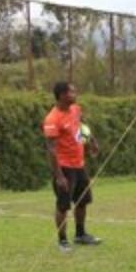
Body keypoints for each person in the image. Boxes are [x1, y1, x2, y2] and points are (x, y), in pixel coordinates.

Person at [43, 81, 101, 252]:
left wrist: (92, 142)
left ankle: (80, 234)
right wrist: (59, 176)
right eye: (72, 92)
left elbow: (82, 126)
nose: (75, 94)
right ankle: (62, 241)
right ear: (62, 95)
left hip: (79, 165)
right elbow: (51, 150)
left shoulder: (76, 109)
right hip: (64, 168)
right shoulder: (52, 119)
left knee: (82, 201)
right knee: (63, 205)